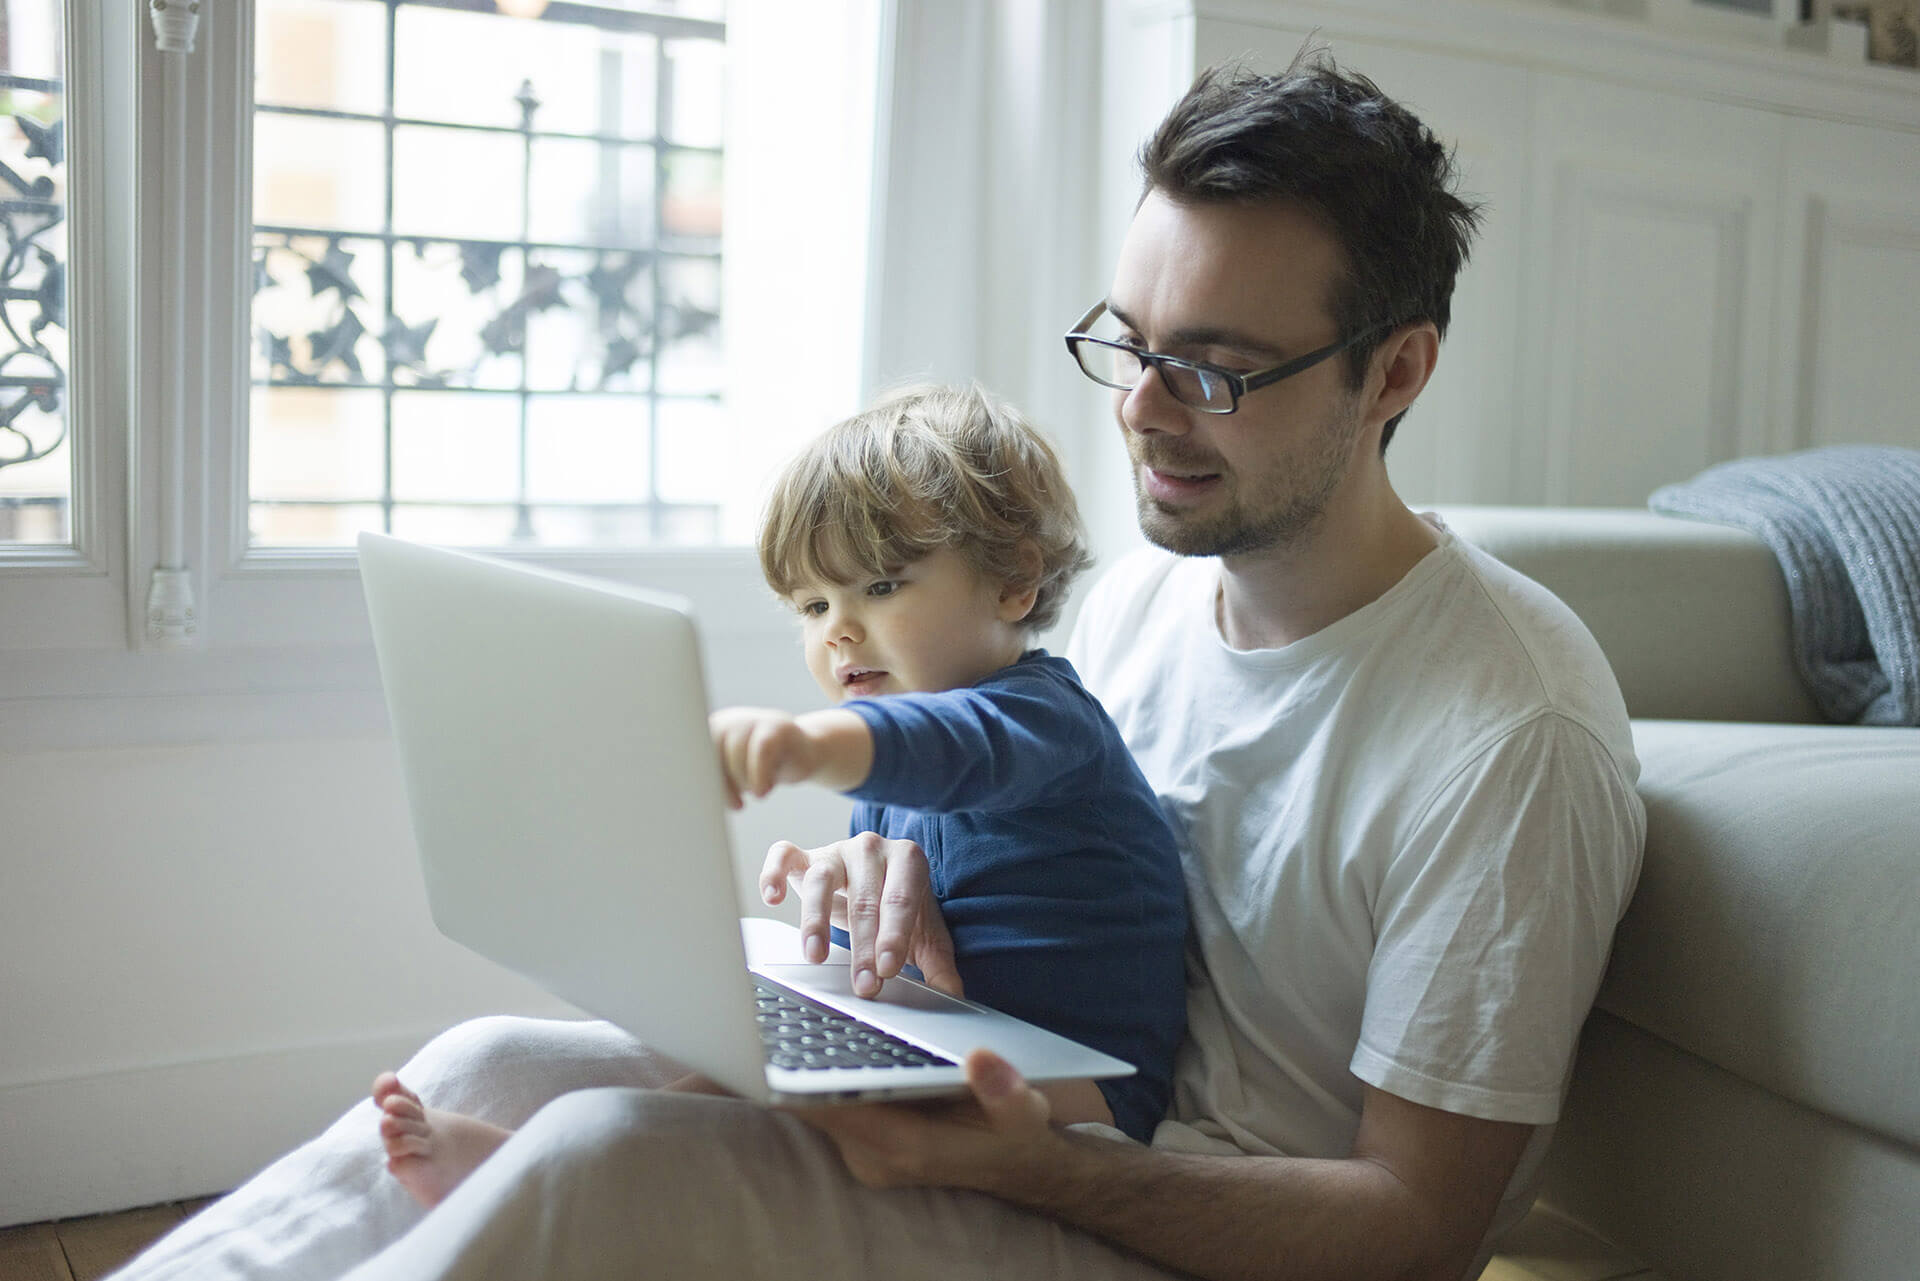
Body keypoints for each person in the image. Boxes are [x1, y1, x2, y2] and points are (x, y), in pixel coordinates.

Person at [112, 51, 1644, 1281]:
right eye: (1129, 342)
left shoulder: (1511, 730)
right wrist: (890, 896)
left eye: (1219, 371)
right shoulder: (1141, 612)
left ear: (1396, 370)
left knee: (595, 1160)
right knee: (496, 1059)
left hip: (1156, 1224)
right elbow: (1025, 844)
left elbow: (1421, 1232)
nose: (1147, 412)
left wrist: (1046, 1163)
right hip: (1021, 1113)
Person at [368, 384, 1189, 1207]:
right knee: (755, 1065)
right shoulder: (886, 769)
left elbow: (957, 748)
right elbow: (902, 943)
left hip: (1084, 1095)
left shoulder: (1044, 719)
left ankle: (526, 1175)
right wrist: (828, 940)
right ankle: (529, 1163)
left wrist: (805, 745)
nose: (837, 628)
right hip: (962, 1038)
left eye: (880, 587)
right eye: (813, 603)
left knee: (744, 1113)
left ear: (1014, 584)